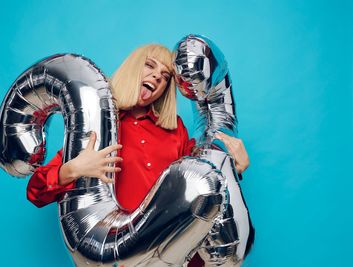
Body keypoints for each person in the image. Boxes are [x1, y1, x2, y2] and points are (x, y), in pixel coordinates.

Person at [26, 44, 250, 266]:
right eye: (150, 66)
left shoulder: (175, 131)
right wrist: (73, 169)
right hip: (118, 256)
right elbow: (36, 192)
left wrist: (232, 167)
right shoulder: (98, 127)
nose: (157, 77)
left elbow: (203, 187)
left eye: (165, 76)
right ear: (133, 69)